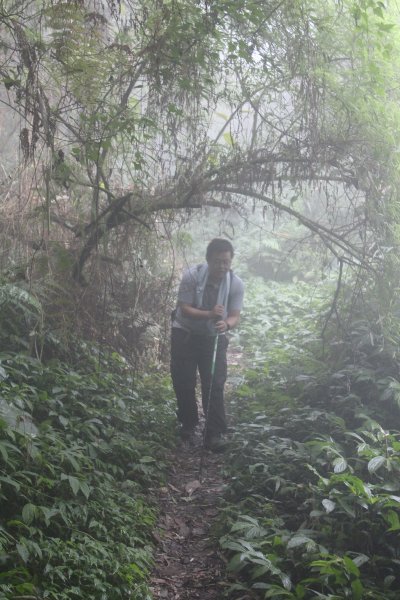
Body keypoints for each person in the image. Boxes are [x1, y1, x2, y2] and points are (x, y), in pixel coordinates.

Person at [170, 238, 244, 450]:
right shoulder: (192, 276)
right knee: (183, 379)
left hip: (213, 337)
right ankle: (188, 424)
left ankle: (214, 432)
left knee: (214, 383)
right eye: (217, 261)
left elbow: (234, 315)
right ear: (208, 260)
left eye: (226, 262)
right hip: (185, 332)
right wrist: (210, 314)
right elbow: (184, 308)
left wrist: (226, 325)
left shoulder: (236, 284)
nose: (222, 266)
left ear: (231, 261)